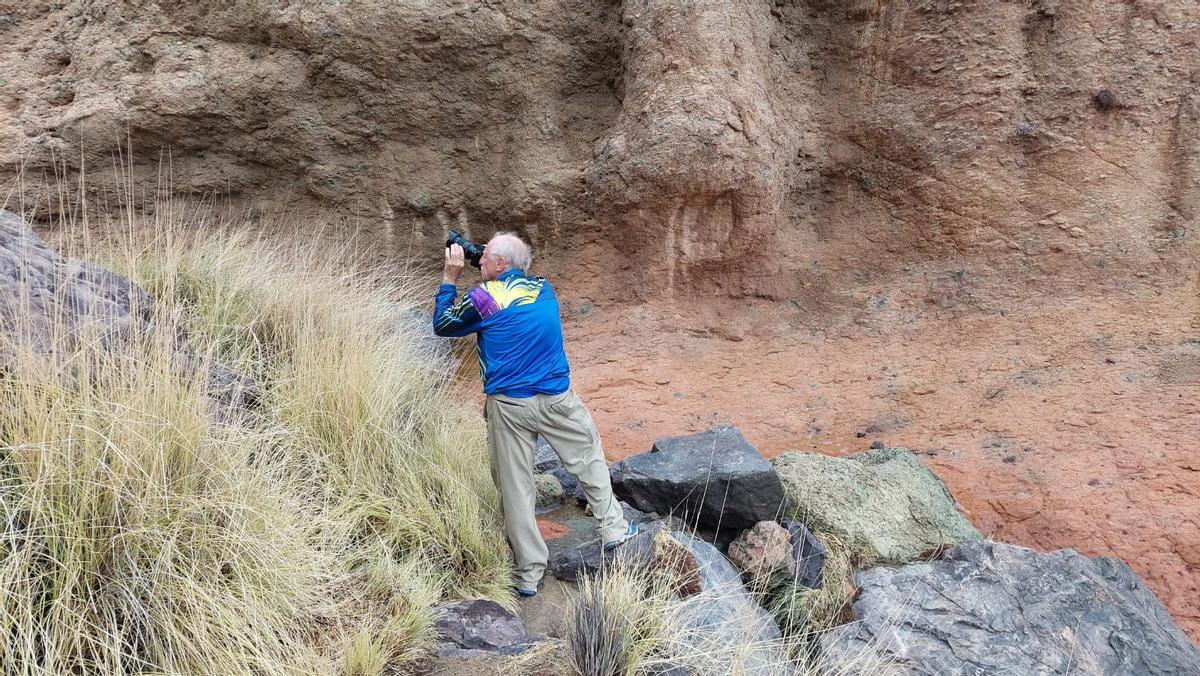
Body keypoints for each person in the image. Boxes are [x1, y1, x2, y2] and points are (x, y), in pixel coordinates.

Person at [433, 232, 637, 597]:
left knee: (515, 488)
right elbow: (510, 270)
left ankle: (529, 574)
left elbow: (443, 325)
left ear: (498, 266)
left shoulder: (483, 298)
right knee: (588, 459)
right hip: (558, 400)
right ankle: (614, 530)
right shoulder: (543, 288)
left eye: (485, 258)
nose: (479, 262)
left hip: (510, 406)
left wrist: (450, 277)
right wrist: (486, 256)